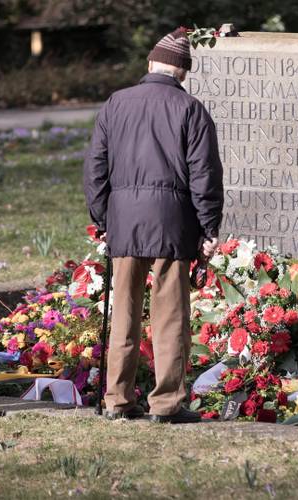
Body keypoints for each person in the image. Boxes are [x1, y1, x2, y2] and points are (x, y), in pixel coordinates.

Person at [83, 27, 223, 423]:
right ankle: (165, 404)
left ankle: (117, 400)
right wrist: (209, 229)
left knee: (123, 314)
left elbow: (95, 169)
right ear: (182, 72)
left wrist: (102, 218)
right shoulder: (191, 109)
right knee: (170, 317)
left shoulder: (115, 103)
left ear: (150, 64)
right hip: (172, 224)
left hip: (124, 223)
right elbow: (205, 175)